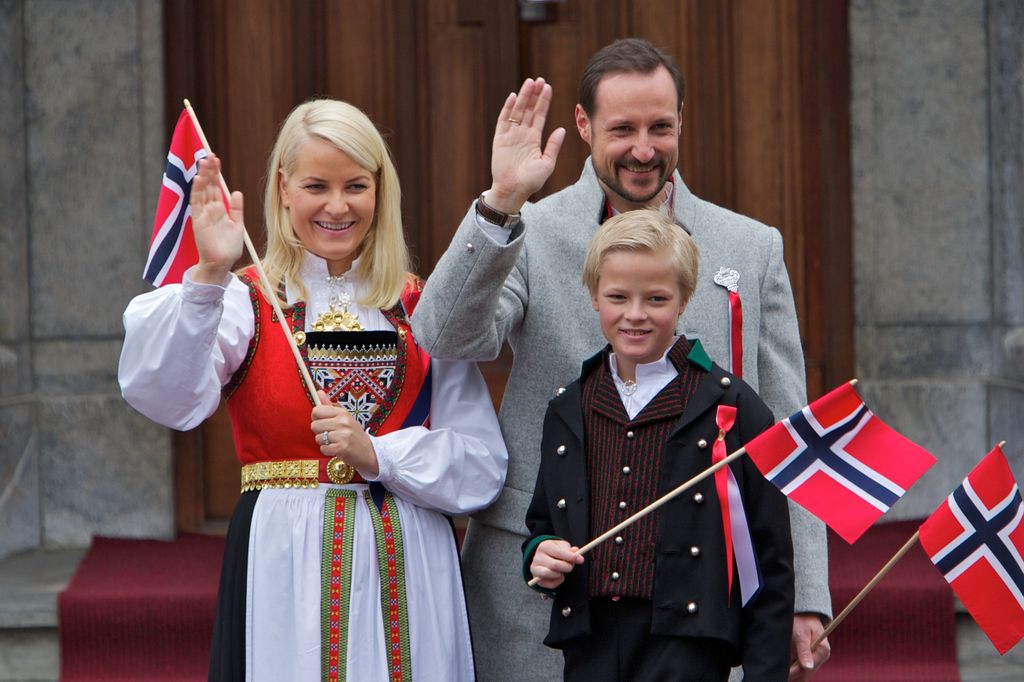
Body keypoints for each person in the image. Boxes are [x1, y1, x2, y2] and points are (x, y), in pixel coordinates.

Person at [411, 37, 831, 681]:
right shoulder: (530, 229)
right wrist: (500, 202)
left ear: (682, 121)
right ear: (582, 125)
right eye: (623, 129)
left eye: (661, 127)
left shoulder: (751, 248)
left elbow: (789, 432)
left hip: (696, 602)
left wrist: (804, 595)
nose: (644, 149)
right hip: (542, 583)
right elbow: (444, 336)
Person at [118, 99, 508, 681]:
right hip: (285, 561)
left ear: (380, 191)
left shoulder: (420, 306)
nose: (336, 205)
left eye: (356, 185)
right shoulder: (244, 300)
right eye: (316, 185)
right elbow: (166, 397)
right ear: (282, 188)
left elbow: (481, 464)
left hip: (408, 558)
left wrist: (379, 455)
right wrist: (206, 277)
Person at [525, 209, 794, 680]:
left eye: (656, 298)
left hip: (688, 645)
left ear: (685, 299)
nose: (635, 314)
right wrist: (541, 552)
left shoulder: (731, 406)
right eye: (617, 297)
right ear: (593, 297)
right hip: (590, 643)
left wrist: (764, 672)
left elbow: (768, 559)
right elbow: (543, 522)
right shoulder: (569, 406)